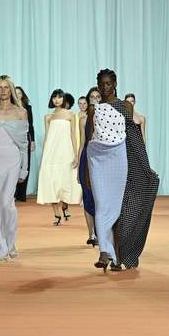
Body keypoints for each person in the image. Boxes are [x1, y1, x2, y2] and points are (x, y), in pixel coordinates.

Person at [87, 69, 159, 272]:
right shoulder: (95, 110)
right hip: (99, 161)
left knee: (121, 215)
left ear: (115, 83)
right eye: (101, 84)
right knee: (102, 207)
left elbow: (134, 138)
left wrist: (145, 167)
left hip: (124, 162)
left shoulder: (125, 106)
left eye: (108, 83)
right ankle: (104, 252)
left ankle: (119, 258)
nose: (104, 87)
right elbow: (88, 141)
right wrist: (84, 171)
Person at [0, 75, 28, 261]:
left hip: (12, 162)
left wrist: (24, 169)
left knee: (7, 204)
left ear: (11, 90)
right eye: (0, 87)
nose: (3, 90)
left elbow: (24, 146)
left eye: (6, 87)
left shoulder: (21, 113)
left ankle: (10, 242)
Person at [37, 89, 82, 224]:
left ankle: (64, 206)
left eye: (59, 97)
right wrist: (44, 155)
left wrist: (76, 155)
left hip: (66, 153)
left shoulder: (70, 115)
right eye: (54, 97)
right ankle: (56, 214)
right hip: (51, 154)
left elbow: (73, 135)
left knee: (65, 181)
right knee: (51, 181)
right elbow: (47, 137)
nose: (56, 100)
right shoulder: (48, 117)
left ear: (63, 99)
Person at [77, 88, 100, 246]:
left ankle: (101, 233)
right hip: (87, 158)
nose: (94, 99)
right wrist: (78, 166)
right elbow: (82, 143)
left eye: (97, 97)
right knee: (87, 195)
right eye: (91, 97)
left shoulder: (107, 117)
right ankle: (91, 234)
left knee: (100, 197)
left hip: (101, 158)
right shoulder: (83, 120)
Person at [14, 86, 35, 202]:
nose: (18, 95)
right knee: (14, 164)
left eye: (20, 93)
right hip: (13, 138)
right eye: (16, 93)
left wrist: (32, 141)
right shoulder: (10, 107)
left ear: (23, 95)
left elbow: (31, 125)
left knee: (25, 165)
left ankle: (21, 195)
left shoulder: (28, 108)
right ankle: (13, 193)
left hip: (25, 138)